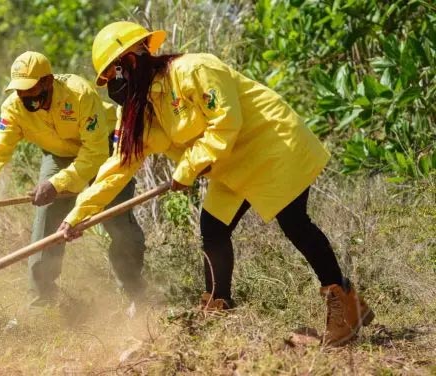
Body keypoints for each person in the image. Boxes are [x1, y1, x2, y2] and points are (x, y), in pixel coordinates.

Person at [59, 21, 373, 346]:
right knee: (213, 228)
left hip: (271, 145)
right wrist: (77, 215)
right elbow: (117, 167)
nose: (113, 85)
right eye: (108, 80)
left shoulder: (194, 70)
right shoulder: (138, 110)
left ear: (132, 60)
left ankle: (345, 303)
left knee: (294, 222)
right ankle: (218, 308)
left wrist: (187, 168)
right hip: (230, 165)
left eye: (113, 74)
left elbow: (226, 123)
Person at [0, 51, 147, 306]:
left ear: (47, 81)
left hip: (103, 150)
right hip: (59, 155)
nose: (25, 97)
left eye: (30, 89)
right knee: (47, 221)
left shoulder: (79, 94)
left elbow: (95, 153)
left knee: (118, 220)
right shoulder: (14, 107)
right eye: (19, 91)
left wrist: (57, 184)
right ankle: (42, 300)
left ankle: (136, 293)